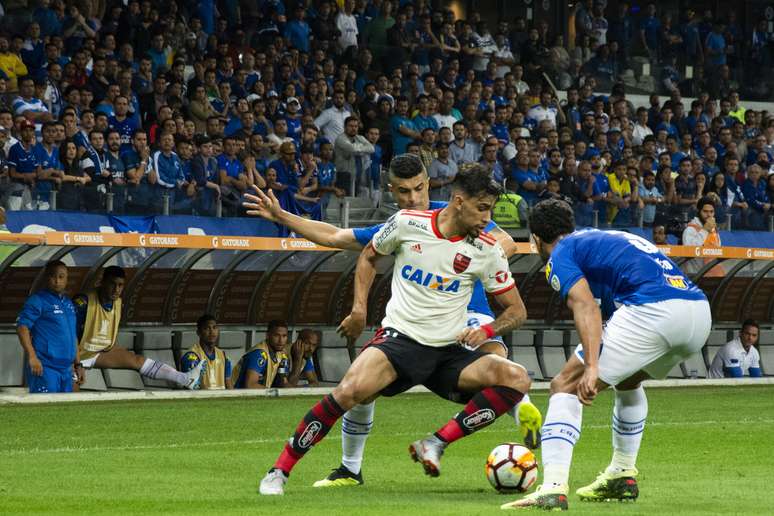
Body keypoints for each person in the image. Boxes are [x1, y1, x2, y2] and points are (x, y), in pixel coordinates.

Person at [245, 154, 542, 488]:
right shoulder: (405, 223)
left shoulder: (483, 242)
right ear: (461, 203)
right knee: (350, 391)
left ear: (430, 185)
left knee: (515, 376)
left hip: (453, 344)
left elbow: (515, 306)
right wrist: (358, 309)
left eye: (418, 189)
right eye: (483, 209)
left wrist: (487, 325)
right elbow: (358, 249)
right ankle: (280, 471)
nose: (486, 218)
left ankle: (436, 442)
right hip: (402, 341)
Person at [502, 199, 711, 511]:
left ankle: (552, 488)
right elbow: (610, 314)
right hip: (699, 313)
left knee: (565, 385)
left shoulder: (561, 254)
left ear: (535, 239)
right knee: (627, 381)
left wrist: (592, 366)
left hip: (655, 311)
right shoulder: (601, 240)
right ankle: (621, 474)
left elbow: (586, 306)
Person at [73, 266, 205, 389]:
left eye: (120, 285)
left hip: (98, 352)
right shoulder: (83, 302)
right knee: (72, 392)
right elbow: (68, 335)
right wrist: (77, 363)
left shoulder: (118, 303)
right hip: (75, 354)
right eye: (112, 284)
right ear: (102, 282)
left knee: (137, 360)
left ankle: (186, 379)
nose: (116, 289)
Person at [16, 260, 78, 393]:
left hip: (67, 370)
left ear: (67, 279)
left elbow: (73, 336)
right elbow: (22, 327)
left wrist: (78, 364)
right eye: (53, 276)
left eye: (61, 277)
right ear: (46, 278)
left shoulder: (68, 303)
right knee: (44, 411)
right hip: (45, 367)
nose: (57, 281)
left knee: (66, 412)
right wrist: (32, 356)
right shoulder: (38, 300)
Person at [231, 320, 291, 389]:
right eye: (276, 335)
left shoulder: (282, 355)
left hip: (259, 396)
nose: (281, 340)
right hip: (237, 395)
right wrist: (273, 393)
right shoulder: (259, 354)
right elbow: (250, 385)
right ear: (267, 335)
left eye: (284, 336)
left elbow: (283, 382)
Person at [180, 314, 233, 390]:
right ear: (198, 333)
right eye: (207, 328)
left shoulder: (224, 356)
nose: (212, 332)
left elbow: (229, 386)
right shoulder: (191, 356)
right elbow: (194, 388)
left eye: (214, 328)